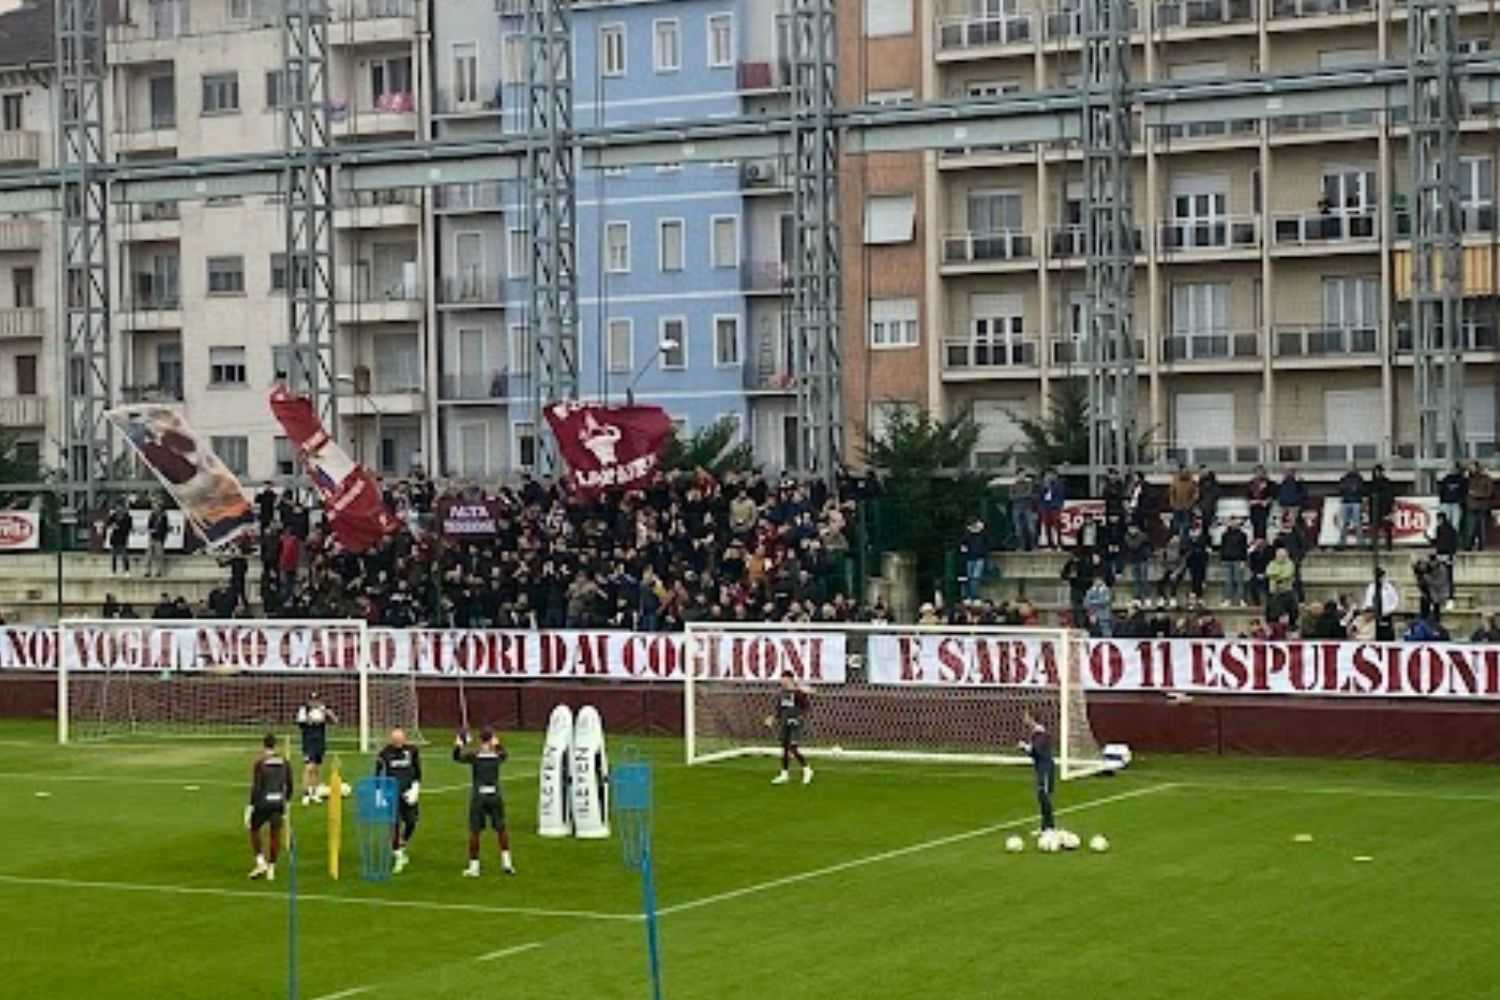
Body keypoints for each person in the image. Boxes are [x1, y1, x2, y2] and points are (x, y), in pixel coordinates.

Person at [453, 728, 516, 878]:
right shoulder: (496, 755)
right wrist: (498, 745)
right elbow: (504, 755)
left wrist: (459, 743)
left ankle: (474, 867)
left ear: (480, 740)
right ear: (493, 738)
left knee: (475, 831)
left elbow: (456, 757)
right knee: (501, 828)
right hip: (495, 795)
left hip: (478, 797)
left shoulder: (475, 756)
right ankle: (507, 863)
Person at [245, 733, 292, 881]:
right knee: (275, 834)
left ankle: (260, 862)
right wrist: (287, 802)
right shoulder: (285, 762)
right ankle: (271, 867)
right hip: (278, 802)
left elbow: (257, 786)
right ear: (275, 745)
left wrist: (250, 806)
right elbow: (289, 785)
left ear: (263, 745)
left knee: (253, 829)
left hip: (263, 802)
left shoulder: (260, 763)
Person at [375, 728, 422, 874]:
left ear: (405, 738)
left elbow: (418, 772)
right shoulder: (384, 754)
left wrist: (415, 789)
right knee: (394, 823)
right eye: (395, 740)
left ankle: (402, 843)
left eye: (400, 739)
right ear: (391, 740)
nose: (398, 742)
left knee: (411, 822)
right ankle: (398, 856)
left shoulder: (412, 751)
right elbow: (378, 774)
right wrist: (379, 794)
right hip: (391, 793)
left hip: (408, 792)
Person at [770, 671, 813, 786]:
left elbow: (806, 708)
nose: (781, 681)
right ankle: (784, 774)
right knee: (784, 748)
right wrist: (773, 719)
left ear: (790, 679)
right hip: (784, 724)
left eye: (783, 679)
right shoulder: (781, 694)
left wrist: (798, 718)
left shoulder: (798, 693)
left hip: (795, 723)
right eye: (781, 679)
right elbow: (779, 710)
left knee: (793, 747)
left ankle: (807, 769)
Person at [295, 692, 337, 805]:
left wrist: (327, 713)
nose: (314, 703)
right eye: (312, 700)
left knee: (317, 768)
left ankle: (314, 792)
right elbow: (301, 724)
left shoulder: (323, 709)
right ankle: (305, 793)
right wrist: (310, 719)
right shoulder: (304, 710)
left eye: (316, 700)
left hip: (320, 741)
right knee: (309, 767)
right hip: (309, 742)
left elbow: (335, 721)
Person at [1017, 713, 1055, 835]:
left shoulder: (1040, 734)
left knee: (1044, 796)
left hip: (1045, 768)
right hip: (1040, 768)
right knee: (1041, 796)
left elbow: (1036, 751)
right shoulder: (1035, 733)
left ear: (1032, 718)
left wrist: (1025, 747)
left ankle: (1049, 827)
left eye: (1027, 716)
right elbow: (1034, 753)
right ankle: (1045, 827)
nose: (1024, 719)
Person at [1464, 461, 1493, 552]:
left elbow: (1489, 493)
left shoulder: (1486, 479)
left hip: (1481, 507)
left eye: (1472, 467)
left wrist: (1476, 494)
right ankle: (1468, 545)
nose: (1470, 469)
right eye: (1469, 467)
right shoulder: (1468, 479)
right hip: (1471, 507)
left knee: (1481, 529)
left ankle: (1481, 546)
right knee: (1470, 528)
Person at [1219, 516, 1248, 607]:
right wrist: (1222, 559)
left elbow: (1244, 549)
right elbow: (1222, 548)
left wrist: (1244, 560)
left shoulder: (1243, 535)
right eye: (1231, 521)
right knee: (1228, 581)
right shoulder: (1225, 535)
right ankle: (1228, 599)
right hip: (1227, 560)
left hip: (1238, 560)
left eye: (1235, 521)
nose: (1233, 523)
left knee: (1239, 581)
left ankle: (1241, 599)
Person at [1167, 464, 1198, 544]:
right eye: (1182, 470)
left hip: (1186, 507)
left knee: (1186, 525)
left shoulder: (1191, 481)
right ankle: (1177, 539)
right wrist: (1173, 503)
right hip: (1177, 507)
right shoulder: (1176, 479)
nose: (1184, 472)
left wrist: (1189, 504)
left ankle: (1185, 540)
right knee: (1176, 525)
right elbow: (1172, 492)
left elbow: (1194, 494)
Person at [1337, 465, 1365, 549]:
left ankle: (1360, 542)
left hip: (1354, 502)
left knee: (1356, 523)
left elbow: (1359, 489)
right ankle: (1342, 542)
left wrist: (1348, 489)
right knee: (1346, 523)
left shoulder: (1358, 479)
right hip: (1348, 501)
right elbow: (1341, 489)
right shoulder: (1345, 478)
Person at [1009, 473, 1038, 552]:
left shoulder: (1029, 485)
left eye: (1023, 475)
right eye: (1020, 474)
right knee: (1018, 529)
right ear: (1017, 475)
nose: (1022, 476)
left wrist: (1018, 496)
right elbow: (1011, 497)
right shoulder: (1013, 485)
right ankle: (1021, 547)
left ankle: (1034, 546)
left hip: (1028, 508)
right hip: (1016, 509)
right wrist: (1024, 495)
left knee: (1031, 528)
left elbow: (1030, 494)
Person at [960, 517, 987, 601]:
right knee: (970, 577)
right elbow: (963, 543)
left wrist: (981, 530)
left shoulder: (983, 533)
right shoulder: (968, 534)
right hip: (970, 558)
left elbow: (987, 541)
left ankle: (974, 596)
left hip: (979, 557)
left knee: (975, 577)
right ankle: (971, 595)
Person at [1038, 471, 1066, 550]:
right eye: (1047, 475)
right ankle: (1050, 544)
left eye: (1050, 475)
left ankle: (1059, 543)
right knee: (1047, 526)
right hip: (1045, 507)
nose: (1048, 476)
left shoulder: (1058, 484)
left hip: (1054, 507)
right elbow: (1039, 496)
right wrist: (1041, 507)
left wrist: (1060, 506)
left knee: (1056, 525)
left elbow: (1061, 496)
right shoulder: (1042, 485)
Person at [1438, 463, 1466, 538]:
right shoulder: (1446, 479)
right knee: (1445, 523)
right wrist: (1442, 501)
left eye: (1455, 468)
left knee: (1455, 524)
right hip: (1446, 503)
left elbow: (1464, 492)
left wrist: (1461, 502)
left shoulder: (1462, 480)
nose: (1453, 470)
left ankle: (1453, 541)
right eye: (1452, 468)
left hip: (1456, 504)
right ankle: (1444, 540)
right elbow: (1441, 491)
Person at [1246, 465, 1272, 543]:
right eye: (1257, 472)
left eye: (1261, 472)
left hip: (1264, 509)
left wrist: (1267, 501)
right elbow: (1248, 495)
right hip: (1254, 508)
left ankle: (1262, 542)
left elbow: (1272, 495)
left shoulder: (1269, 483)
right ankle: (1255, 541)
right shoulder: (1251, 483)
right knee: (1255, 525)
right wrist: (1251, 501)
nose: (1259, 474)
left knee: (1262, 525)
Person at [145, 501, 169, 578]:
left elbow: (165, 529)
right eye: (153, 507)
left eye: (156, 507)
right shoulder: (152, 515)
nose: (154, 509)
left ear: (160, 508)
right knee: (149, 555)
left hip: (159, 538)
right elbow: (149, 526)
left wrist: (162, 537)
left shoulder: (164, 517)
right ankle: (147, 571)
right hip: (152, 537)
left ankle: (159, 571)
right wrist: (151, 531)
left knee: (159, 555)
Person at [108, 504, 132, 576]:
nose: (118, 509)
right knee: (113, 556)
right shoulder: (114, 516)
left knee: (124, 555)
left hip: (123, 538)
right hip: (115, 538)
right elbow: (108, 523)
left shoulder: (128, 517)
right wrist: (112, 524)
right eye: (117, 508)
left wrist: (118, 527)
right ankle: (113, 571)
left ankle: (127, 571)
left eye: (120, 507)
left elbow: (127, 528)